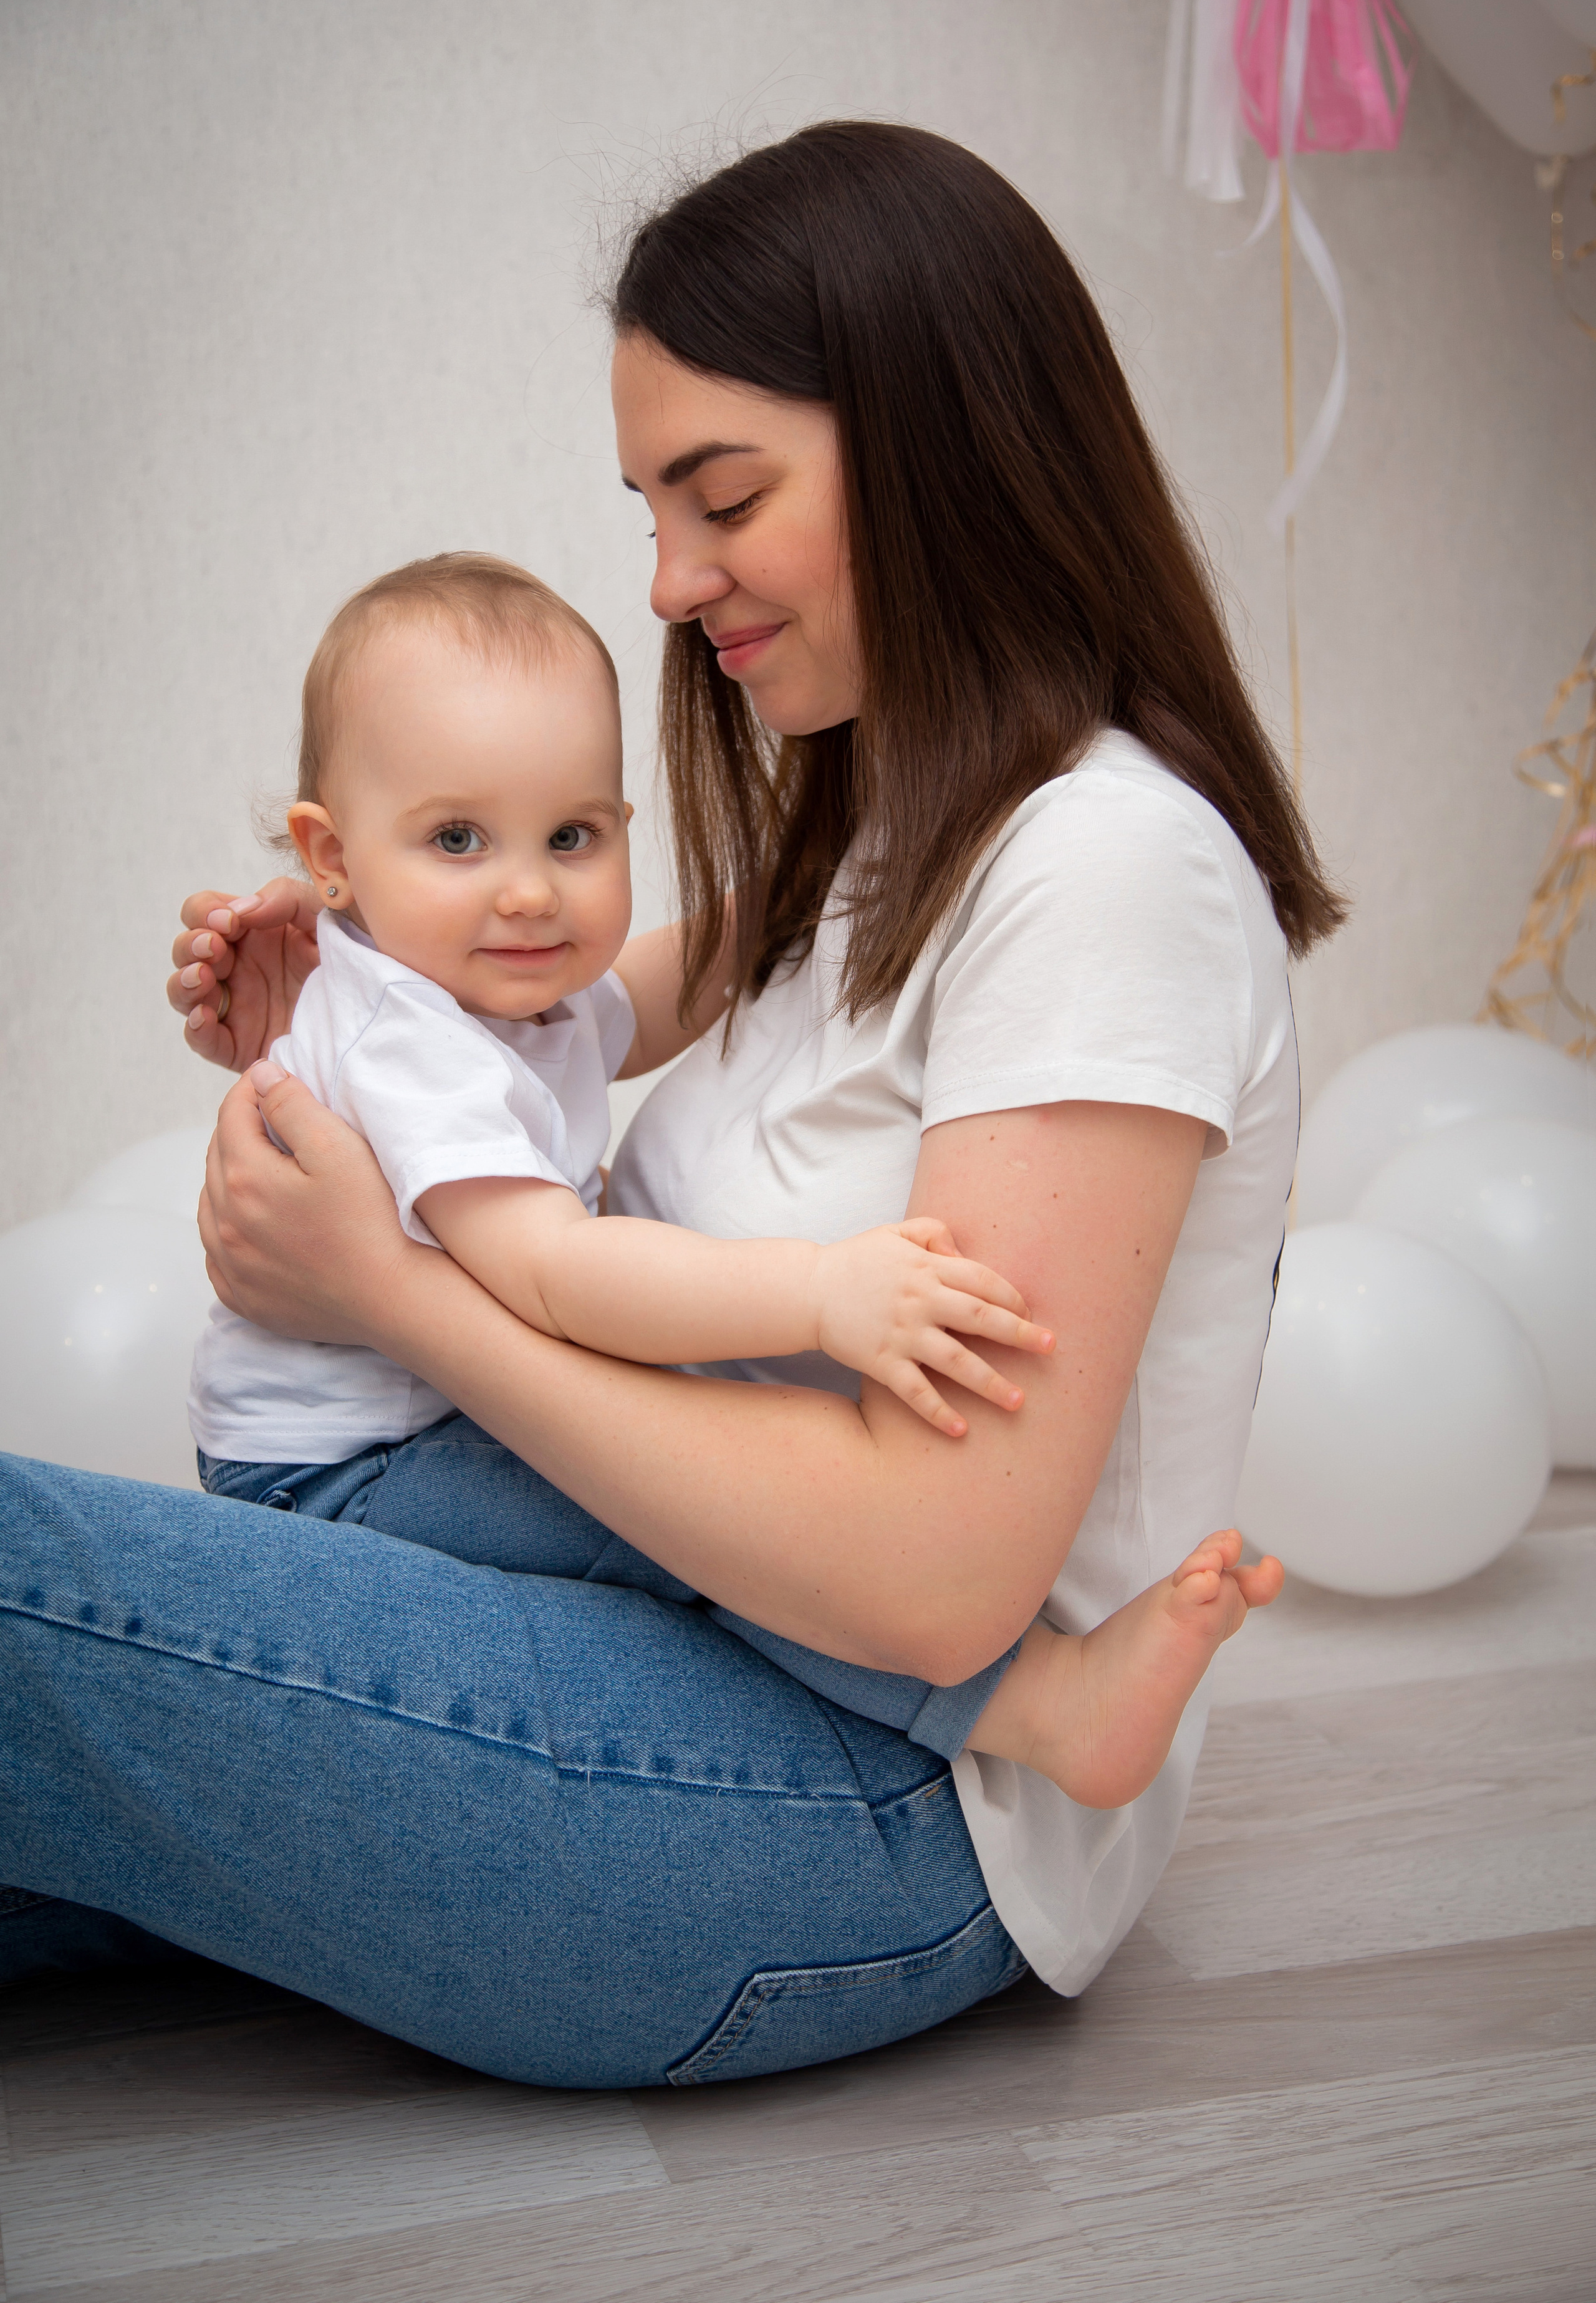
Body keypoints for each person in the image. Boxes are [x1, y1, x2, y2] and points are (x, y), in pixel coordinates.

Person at [0, 122, 1332, 2089]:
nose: (668, 581)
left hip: (874, 1807)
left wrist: (386, 1288)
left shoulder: (1103, 870)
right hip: (696, 1665)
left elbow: (943, 1571)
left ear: (938, 445)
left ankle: (1042, 1713)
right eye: (648, 510)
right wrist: (349, 989)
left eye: (722, 499)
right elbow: (572, 1004)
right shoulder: (888, 831)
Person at [191, 543, 1267, 1805]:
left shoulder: (494, 984)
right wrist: (816, 1292)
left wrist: (799, 893)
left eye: (573, 835)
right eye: (458, 838)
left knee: (686, 1512)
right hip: (348, 1471)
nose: (529, 892)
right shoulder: (406, 1041)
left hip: (428, 1419)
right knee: (667, 1533)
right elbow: (553, 1273)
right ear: (330, 855)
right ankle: (1037, 1705)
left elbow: (645, 998)